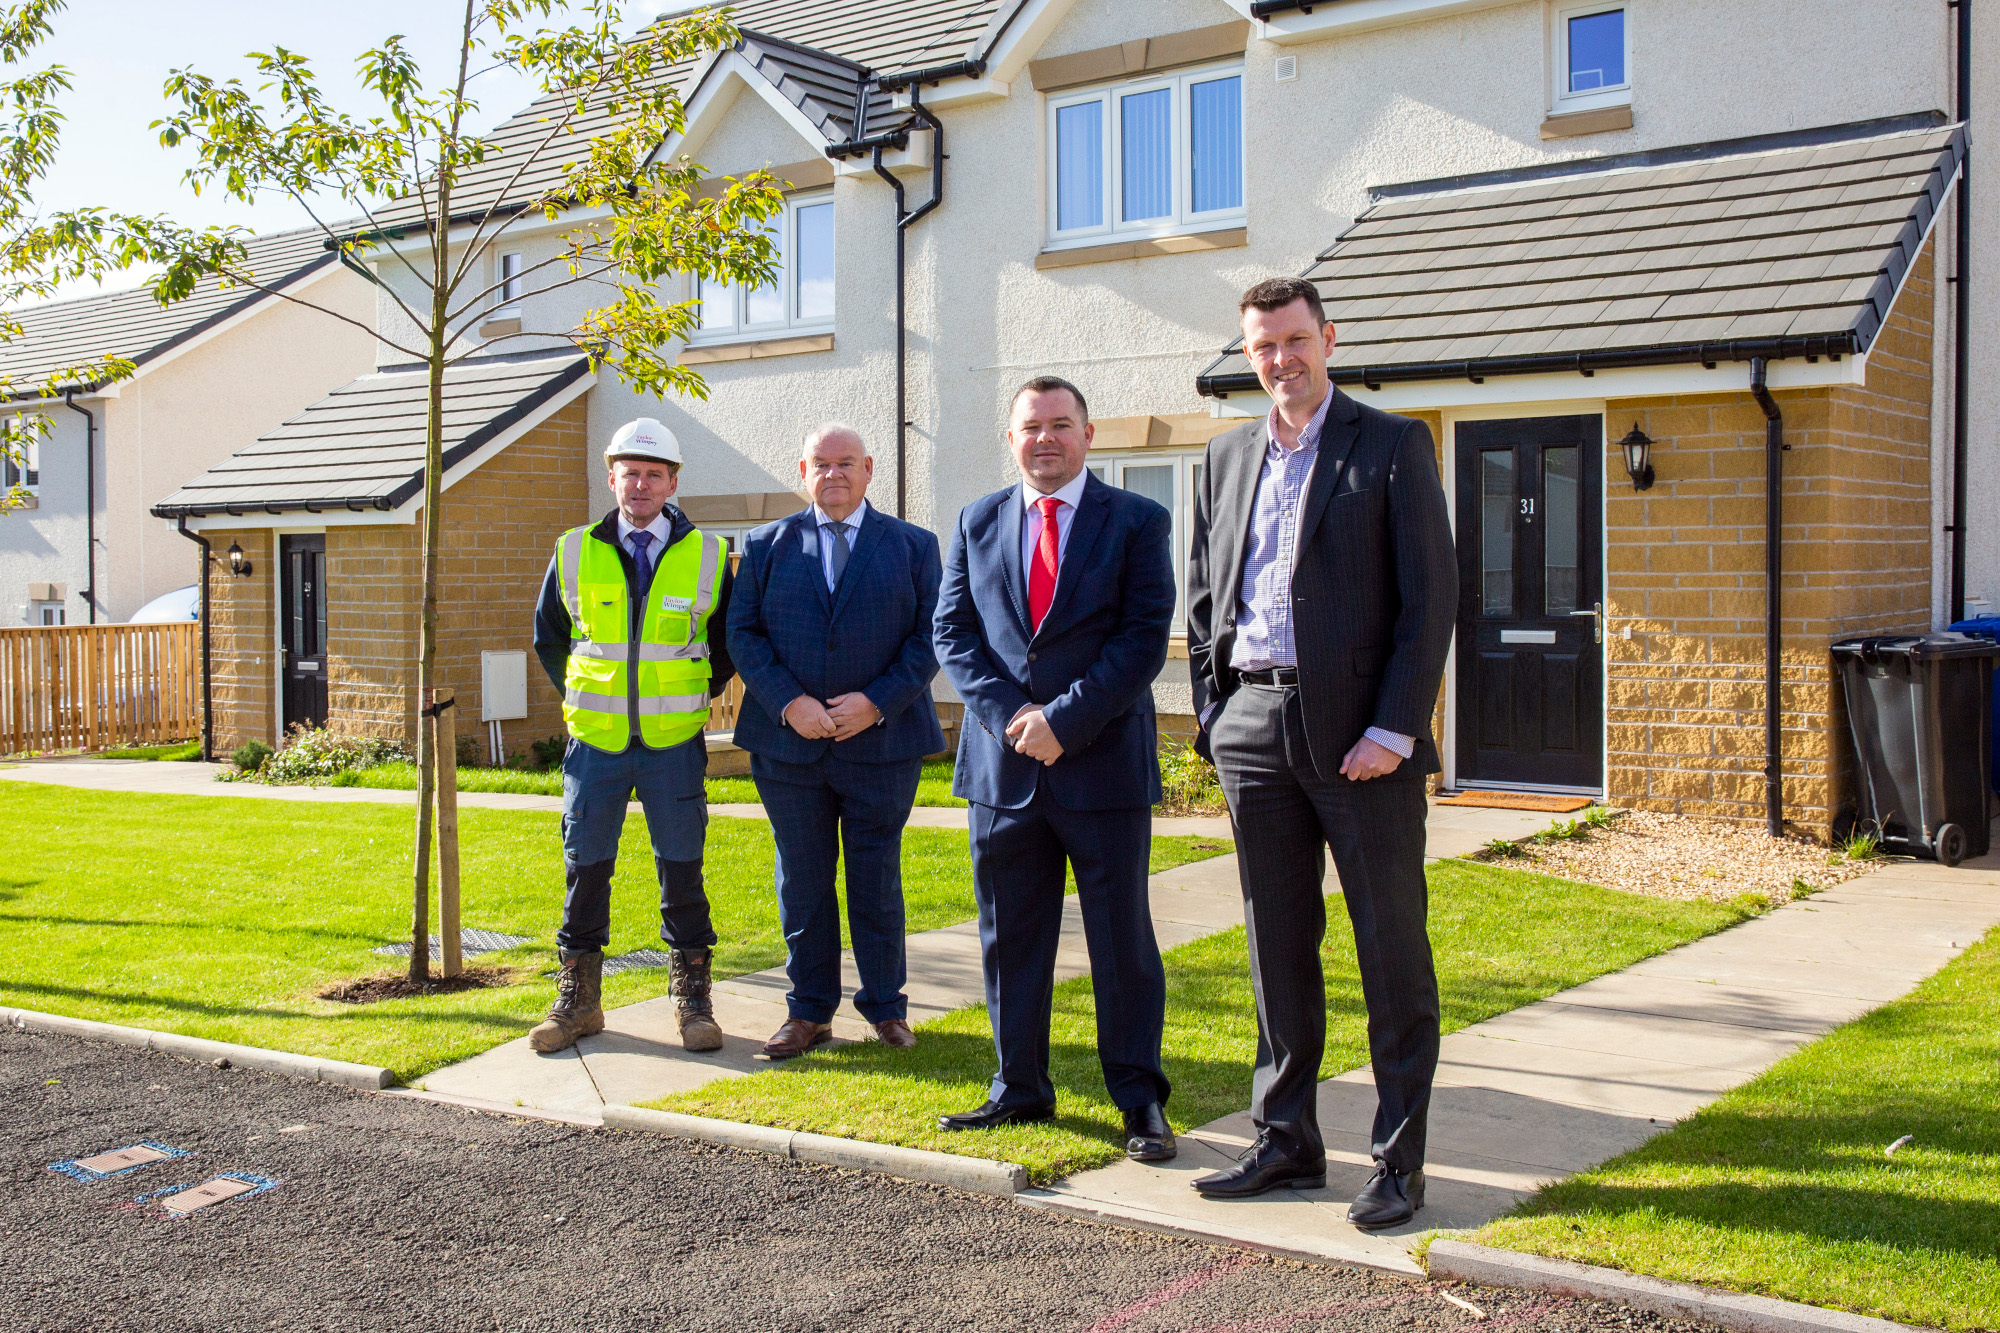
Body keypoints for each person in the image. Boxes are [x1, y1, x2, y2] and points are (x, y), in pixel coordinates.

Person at [1184, 277, 1457, 1226]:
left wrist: (1394, 727)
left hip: (1360, 740)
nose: (1280, 360)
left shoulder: (1389, 445)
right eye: (1263, 346)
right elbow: (1206, 603)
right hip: (1254, 727)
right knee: (1275, 945)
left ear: (1328, 339)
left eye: (1295, 340)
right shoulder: (1222, 458)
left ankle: (1397, 1159)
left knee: (1390, 946)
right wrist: (1217, 719)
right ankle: (1288, 1140)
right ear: (1247, 352)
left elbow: (1431, 600)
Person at [931, 376, 1178, 1163]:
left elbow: (1142, 638)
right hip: (1003, 772)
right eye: (1030, 426)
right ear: (1011, 438)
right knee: (1011, 936)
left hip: (1100, 765)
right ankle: (1020, 1086)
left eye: (1060, 425)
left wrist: (1064, 721)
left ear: (1088, 434)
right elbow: (953, 632)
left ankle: (1139, 1100)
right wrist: (1014, 718)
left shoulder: (1139, 519)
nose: (1045, 439)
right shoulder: (978, 519)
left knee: (1121, 941)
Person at [727, 423, 946, 1060]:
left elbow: (930, 636)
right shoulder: (767, 545)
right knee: (803, 879)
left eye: (846, 463)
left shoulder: (912, 545)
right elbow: (744, 634)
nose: (834, 475)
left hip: (883, 745)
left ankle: (886, 1007)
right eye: (821, 465)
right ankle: (808, 1011)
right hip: (788, 747)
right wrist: (787, 702)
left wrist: (876, 702)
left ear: (869, 468)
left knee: (876, 879)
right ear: (803, 471)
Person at [528, 417, 735, 1055]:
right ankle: (579, 1002)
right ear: (611, 476)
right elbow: (550, 638)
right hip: (595, 745)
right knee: (584, 867)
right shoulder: (572, 549)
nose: (640, 485)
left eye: (653, 474)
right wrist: (592, 702)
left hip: (673, 744)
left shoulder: (713, 554)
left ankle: (692, 1001)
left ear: (673, 482)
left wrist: (685, 695)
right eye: (630, 472)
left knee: (682, 870)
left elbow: (726, 646)